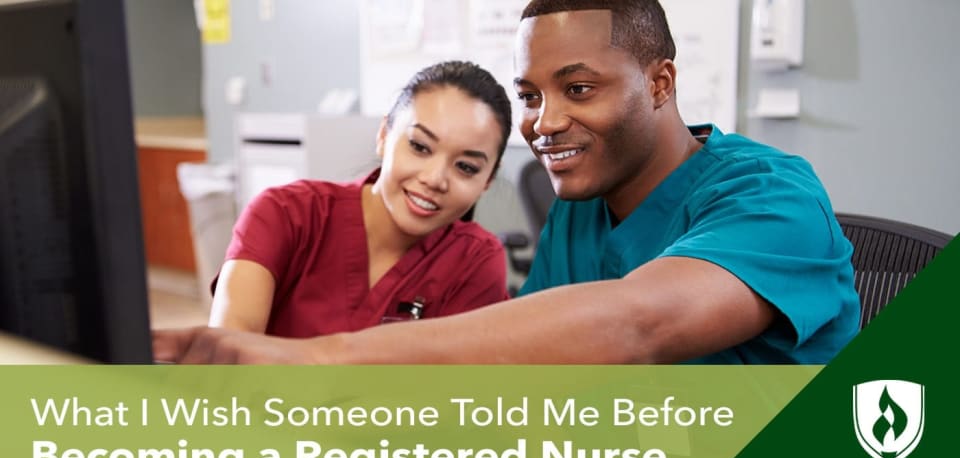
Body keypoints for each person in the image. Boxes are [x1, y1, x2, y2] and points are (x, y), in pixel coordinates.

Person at [155, 0, 859, 364]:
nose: (544, 123)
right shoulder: (584, 211)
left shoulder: (774, 196)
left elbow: (637, 324)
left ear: (660, 82)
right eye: (529, 96)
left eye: (579, 88)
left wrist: (316, 365)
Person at [208, 61, 513, 339]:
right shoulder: (285, 214)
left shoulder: (476, 261)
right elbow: (229, 354)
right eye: (420, 147)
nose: (435, 178)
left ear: (487, 180)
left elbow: (451, 390)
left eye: (466, 167)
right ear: (383, 134)